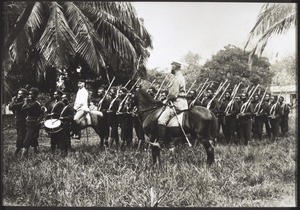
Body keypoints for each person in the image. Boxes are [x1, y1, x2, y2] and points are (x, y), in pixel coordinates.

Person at [156, 61, 188, 148]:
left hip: (177, 103)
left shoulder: (177, 78)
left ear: (174, 67)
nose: (171, 69)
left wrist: (166, 100)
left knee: (161, 120)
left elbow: (173, 94)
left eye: (172, 67)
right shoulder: (180, 77)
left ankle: (161, 142)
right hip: (182, 103)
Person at [21, 87, 42, 158]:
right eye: (29, 94)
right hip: (30, 123)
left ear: (35, 95)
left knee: (26, 140)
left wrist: (25, 102)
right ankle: (37, 153)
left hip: (33, 124)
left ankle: (22, 157)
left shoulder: (35, 104)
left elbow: (23, 109)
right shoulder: (35, 103)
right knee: (33, 139)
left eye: (31, 94)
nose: (29, 95)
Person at [8, 88, 28, 157]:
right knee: (22, 135)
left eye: (21, 94)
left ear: (25, 95)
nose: (19, 95)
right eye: (19, 93)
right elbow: (10, 107)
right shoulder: (18, 101)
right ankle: (24, 151)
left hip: (23, 121)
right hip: (18, 121)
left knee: (21, 136)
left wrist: (13, 101)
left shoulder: (25, 102)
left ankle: (17, 151)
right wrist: (13, 101)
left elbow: (14, 106)